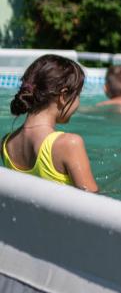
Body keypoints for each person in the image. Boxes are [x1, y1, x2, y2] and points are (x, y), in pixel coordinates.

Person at [3, 54, 97, 192]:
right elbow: (94, 202)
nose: (78, 102)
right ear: (63, 96)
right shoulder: (69, 144)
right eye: (78, 95)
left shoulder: (6, 143)